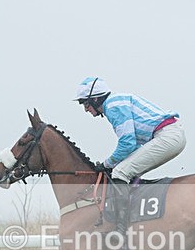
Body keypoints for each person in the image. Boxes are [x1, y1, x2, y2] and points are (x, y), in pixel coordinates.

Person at [73, 76, 186, 239]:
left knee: (120, 172)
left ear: (96, 99)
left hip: (167, 136)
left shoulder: (112, 106)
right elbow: (132, 145)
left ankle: (120, 229)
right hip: (169, 134)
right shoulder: (115, 102)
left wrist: (107, 164)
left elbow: (127, 143)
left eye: (85, 103)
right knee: (127, 170)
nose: (86, 109)